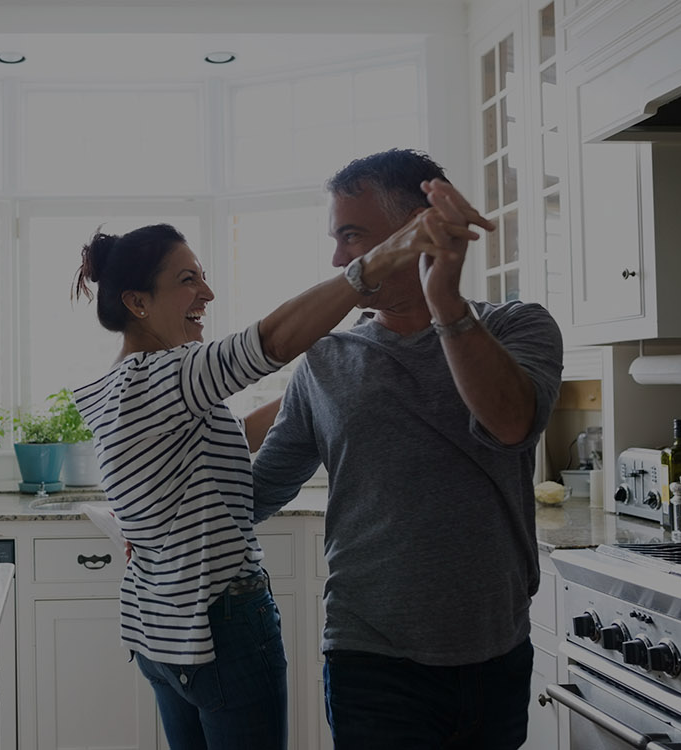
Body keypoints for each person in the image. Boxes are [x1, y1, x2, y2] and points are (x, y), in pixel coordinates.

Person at [69, 179, 491, 750]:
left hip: (161, 630)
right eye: (188, 279)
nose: (208, 293)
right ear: (137, 303)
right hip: (219, 623)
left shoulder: (120, 388)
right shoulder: (168, 374)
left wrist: (322, 381)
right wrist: (381, 258)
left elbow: (228, 439)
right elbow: (268, 342)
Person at [250, 148, 565, 749]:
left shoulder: (518, 326)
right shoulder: (326, 358)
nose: (340, 258)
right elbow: (260, 489)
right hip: (372, 656)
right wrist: (162, 521)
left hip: (496, 649)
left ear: (413, 233)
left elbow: (510, 423)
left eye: (352, 236)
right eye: (336, 237)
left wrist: (444, 298)